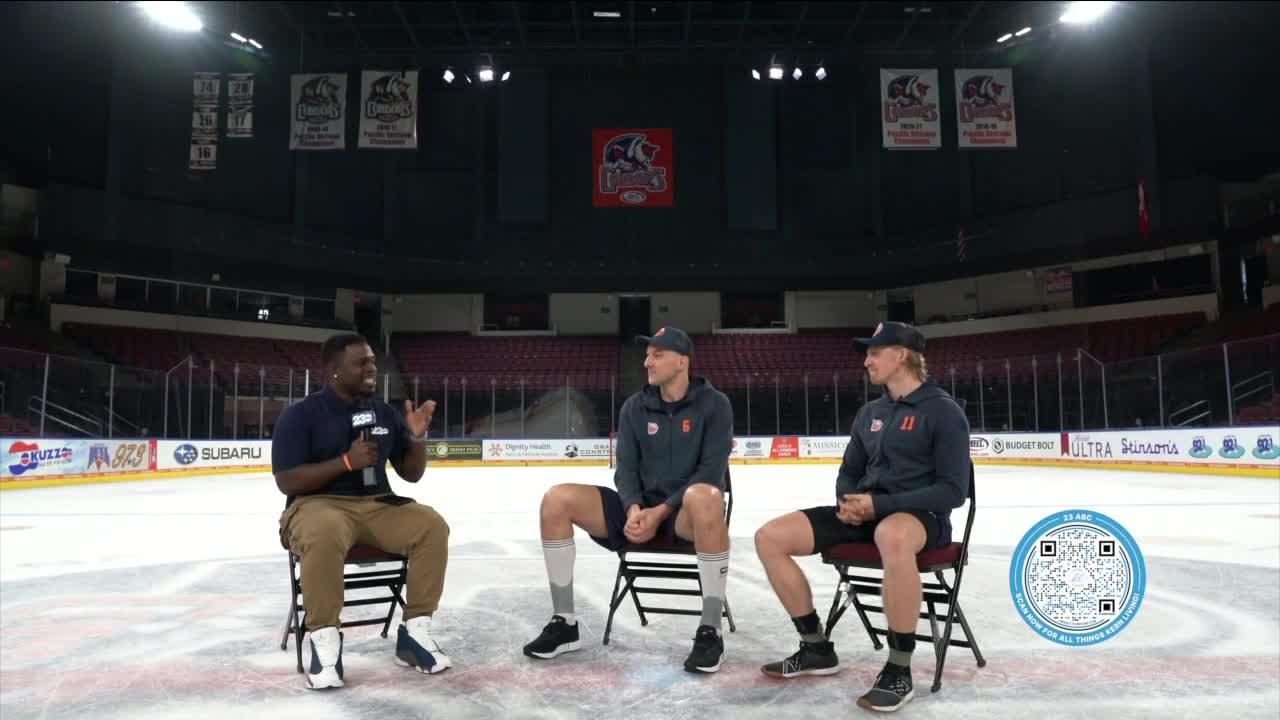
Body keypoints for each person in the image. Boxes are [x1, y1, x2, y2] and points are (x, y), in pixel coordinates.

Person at [753, 321, 970, 712]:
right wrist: (848, 501)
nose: (866, 361)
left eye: (873, 352)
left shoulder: (944, 412)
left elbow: (952, 491)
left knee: (892, 535)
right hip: (866, 515)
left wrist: (879, 506)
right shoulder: (871, 411)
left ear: (901, 355)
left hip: (920, 520)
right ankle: (815, 646)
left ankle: (899, 668)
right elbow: (849, 470)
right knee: (770, 537)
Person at [522, 326, 734, 673]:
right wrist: (635, 509)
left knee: (707, 495)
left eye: (657, 354)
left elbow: (712, 471)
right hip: (638, 511)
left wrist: (661, 511)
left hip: (685, 515)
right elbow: (626, 470)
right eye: (647, 353)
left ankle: (710, 631)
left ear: (682, 362)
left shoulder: (715, 405)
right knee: (556, 499)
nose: (647, 361)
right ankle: (565, 623)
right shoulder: (635, 407)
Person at [273, 333, 452, 690]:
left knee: (431, 525)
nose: (372, 368)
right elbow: (287, 480)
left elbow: (411, 474)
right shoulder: (301, 415)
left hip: (378, 506)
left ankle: (415, 633)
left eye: (372, 361)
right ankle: (324, 640)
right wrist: (345, 462)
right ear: (334, 371)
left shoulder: (385, 412)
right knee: (323, 530)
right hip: (317, 505)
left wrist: (416, 438)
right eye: (361, 363)